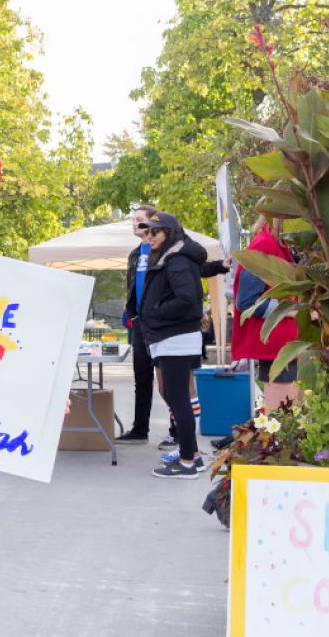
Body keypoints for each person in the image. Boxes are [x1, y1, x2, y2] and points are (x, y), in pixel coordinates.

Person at [137, 211, 208, 478]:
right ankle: (194, 455)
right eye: (147, 232)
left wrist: (156, 310)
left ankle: (188, 462)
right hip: (171, 339)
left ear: (170, 233)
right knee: (173, 397)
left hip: (176, 339)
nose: (149, 236)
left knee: (179, 400)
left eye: (155, 231)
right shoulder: (172, 258)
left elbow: (187, 299)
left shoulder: (176, 260)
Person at [232, 216, 299, 410]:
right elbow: (246, 301)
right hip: (278, 346)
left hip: (287, 344)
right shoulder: (264, 244)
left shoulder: (280, 244)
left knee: (289, 419)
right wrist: (290, 311)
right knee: (283, 420)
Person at [117, 205, 160, 444]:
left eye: (140, 220)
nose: (135, 223)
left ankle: (176, 430)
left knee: (168, 381)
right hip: (139, 323)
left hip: (160, 324)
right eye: (133, 220)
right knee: (141, 378)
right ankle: (139, 428)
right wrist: (129, 314)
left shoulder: (163, 250)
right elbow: (130, 287)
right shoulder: (135, 254)